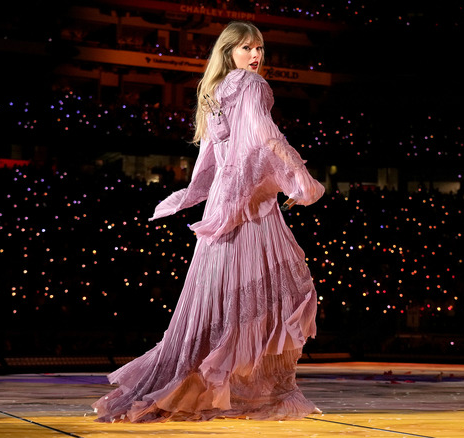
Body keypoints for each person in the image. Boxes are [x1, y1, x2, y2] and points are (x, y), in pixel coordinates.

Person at [92, 21, 325, 423]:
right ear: (228, 51)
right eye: (247, 48)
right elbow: (265, 137)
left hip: (224, 201)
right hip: (247, 203)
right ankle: (244, 390)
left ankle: (210, 386)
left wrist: (194, 195)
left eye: (261, 49)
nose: (256, 56)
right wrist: (302, 181)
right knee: (283, 288)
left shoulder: (214, 91)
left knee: (222, 296)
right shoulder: (250, 87)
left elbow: (212, 160)